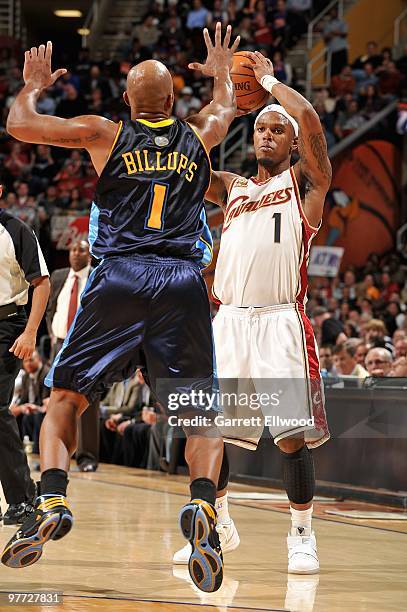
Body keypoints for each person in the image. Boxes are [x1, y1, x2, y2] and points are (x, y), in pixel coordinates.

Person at [2, 26, 240, 594]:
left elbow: (18, 125)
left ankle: (54, 495)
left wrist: (32, 86)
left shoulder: (105, 131)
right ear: (174, 101)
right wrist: (223, 72)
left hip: (120, 278)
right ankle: (204, 507)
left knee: (66, 397)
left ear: (128, 100)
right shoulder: (198, 135)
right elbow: (225, 107)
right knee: (199, 410)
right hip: (182, 280)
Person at [174, 51, 331, 574]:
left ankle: (302, 535)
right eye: (260, 129)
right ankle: (218, 525)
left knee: (289, 437)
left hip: (279, 320)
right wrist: (226, 96)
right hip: (229, 321)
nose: (265, 135)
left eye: (274, 130)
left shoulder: (306, 187)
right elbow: (189, 157)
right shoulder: (232, 188)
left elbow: (309, 122)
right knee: (207, 429)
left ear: (289, 145)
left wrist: (266, 84)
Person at [0, 184, 50, 525]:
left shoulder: (17, 230)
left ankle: (23, 499)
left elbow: (42, 283)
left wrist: (30, 332)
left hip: (7, 326)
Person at [46, 239, 99, 472]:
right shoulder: (58, 277)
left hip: (86, 346)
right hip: (59, 345)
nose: (76, 253)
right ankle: (55, 457)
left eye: (82, 250)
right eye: (73, 250)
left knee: (88, 403)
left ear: (90, 255)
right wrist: (53, 333)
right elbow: (51, 309)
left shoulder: (98, 276)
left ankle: (87, 457)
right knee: (55, 401)